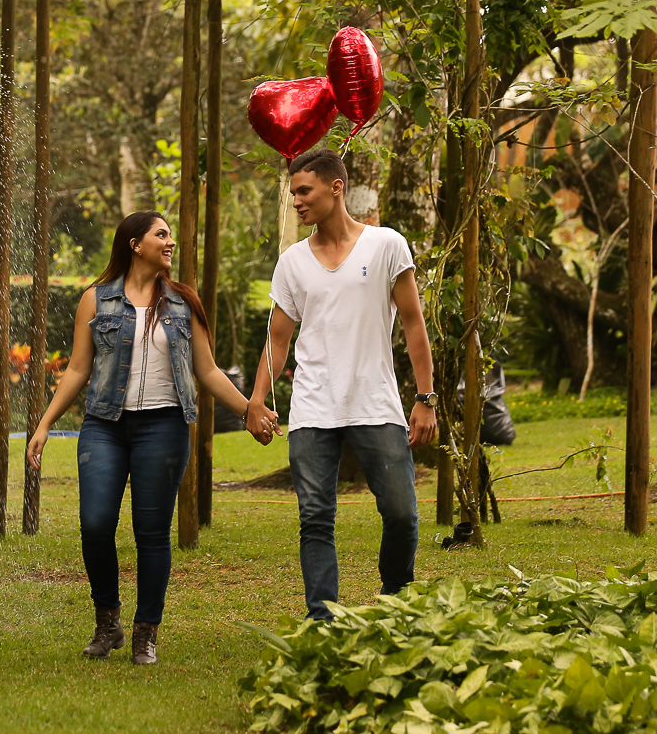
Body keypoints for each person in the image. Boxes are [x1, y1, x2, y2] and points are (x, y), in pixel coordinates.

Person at [26, 211, 263, 665]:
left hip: (164, 427)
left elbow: (207, 370)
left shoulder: (182, 302)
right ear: (135, 244)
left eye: (170, 235)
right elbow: (77, 368)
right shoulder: (96, 300)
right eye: (161, 235)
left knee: (151, 533)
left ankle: (145, 633)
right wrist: (45, 424)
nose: (170, 242)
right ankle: (108, 621)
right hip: (104, 426)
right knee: (95, 523)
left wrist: (249, 409)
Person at [245, 147, 438, 620]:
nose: (297, 201)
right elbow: (277, 339)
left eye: (304, 191)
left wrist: (425, 397)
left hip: (376, 403)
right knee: (315, 518)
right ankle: (322, 618)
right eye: (293, 193)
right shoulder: (292, 262)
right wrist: (256, 399)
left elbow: (413, 323)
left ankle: (396, 599)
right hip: (313, 408)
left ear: (336, 188)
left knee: (401, 513)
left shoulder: (386, 245)